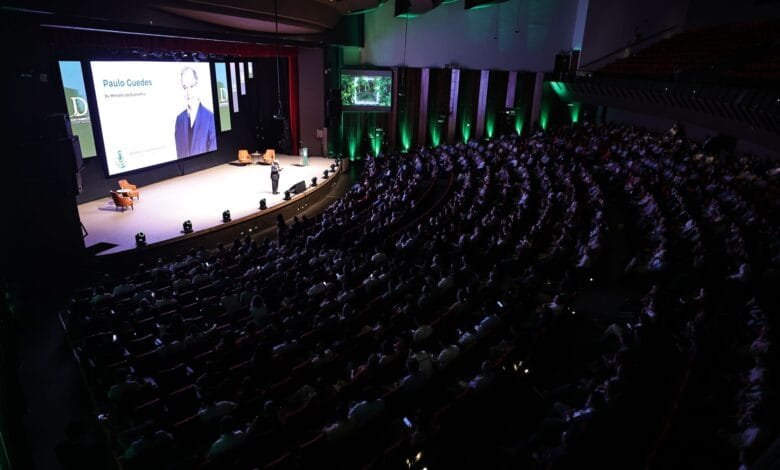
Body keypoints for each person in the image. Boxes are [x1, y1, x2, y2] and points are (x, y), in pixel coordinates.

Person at [174, 66, 216, 159]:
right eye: (185, 87)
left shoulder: (210, 118)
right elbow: (179, 156)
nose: (188, 92)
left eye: (192, 86)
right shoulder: (179, 120)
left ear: (198, 86)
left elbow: (213, 156)